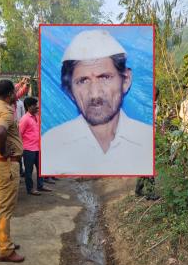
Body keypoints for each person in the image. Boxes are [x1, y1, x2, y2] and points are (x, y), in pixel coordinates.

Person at [41, 29, 153, 175]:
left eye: (105, 77)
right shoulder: (52, 144)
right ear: (70, 91)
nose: (95, 94)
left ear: (125, 80)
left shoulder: (147, 140)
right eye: (83, 80)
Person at [0, 80, 24, 262]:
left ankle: (0, 240)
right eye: (14, 92)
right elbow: (0, 132)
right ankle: (6, 250)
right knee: (5, 207)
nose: (16, 95)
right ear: (9, 94)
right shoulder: (6, 111)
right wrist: (3, 151)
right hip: (6, 163)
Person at [19, 97, 51, 195]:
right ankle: (30, 189)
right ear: (28, 107)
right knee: (29, 170)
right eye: (34, 105)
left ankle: (40, 185)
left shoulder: (36, 117)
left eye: (36, 105)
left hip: (38, 147)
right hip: (28, 149)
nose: (36, 107)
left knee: (41, 168)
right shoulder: (24, 119)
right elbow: (19, 134)